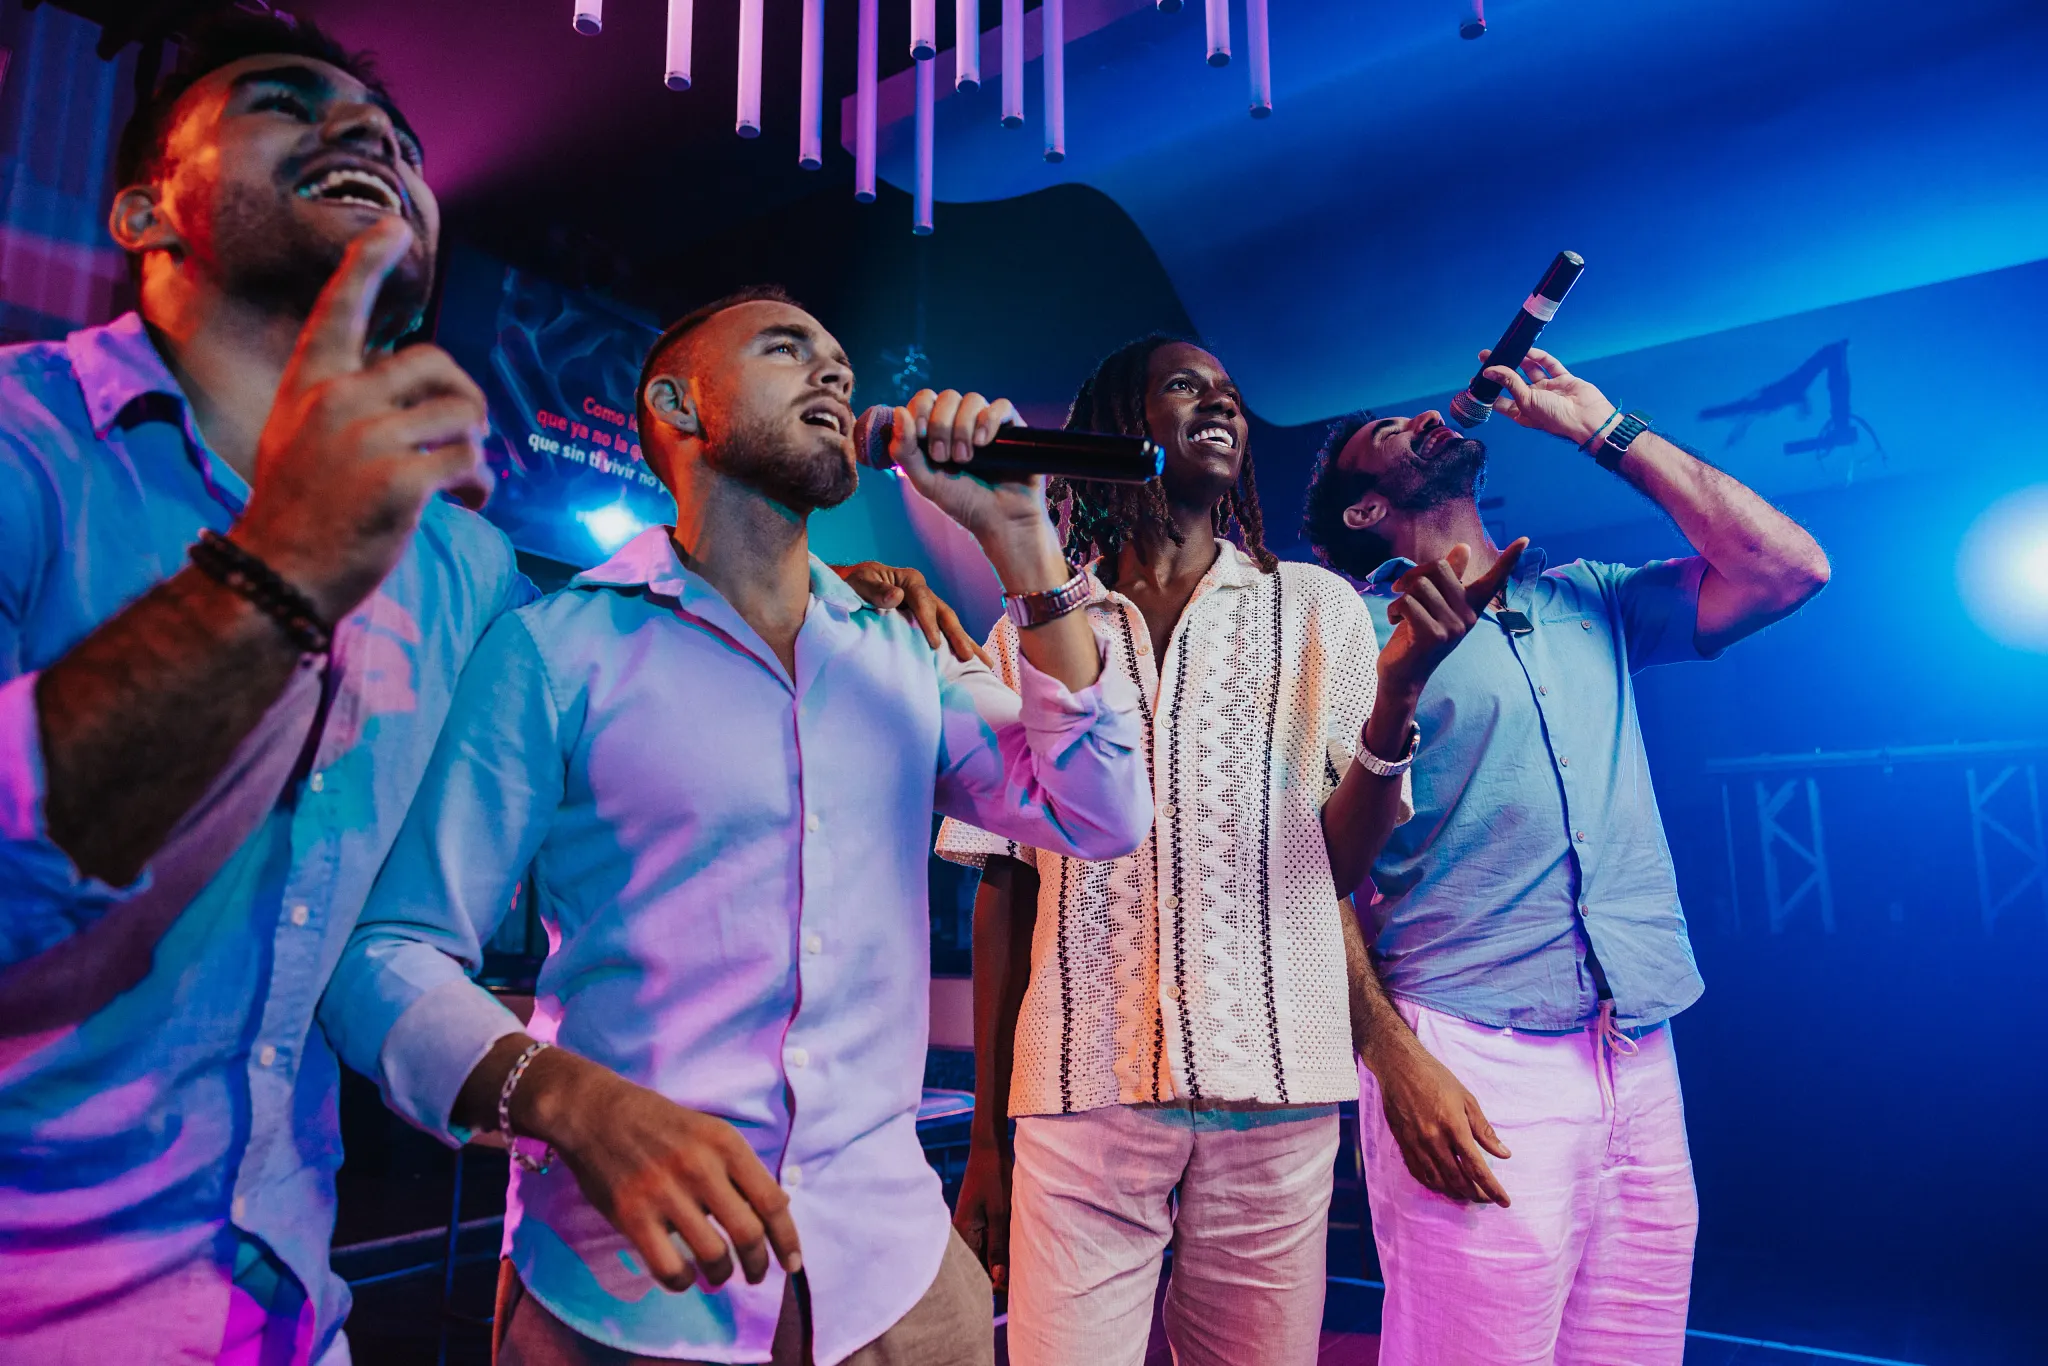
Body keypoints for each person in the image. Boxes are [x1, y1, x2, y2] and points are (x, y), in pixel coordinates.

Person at [0, 19, 978, 1365]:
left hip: (279, 1298)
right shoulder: (23, 451)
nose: (370, 136)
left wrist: (818, 593)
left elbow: (375, 933)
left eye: (396, 135)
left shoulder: (456, 564)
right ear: (140, 206)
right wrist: (278, 566)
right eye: (286, 104)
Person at [320, 287, 1155, 1366]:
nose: (834, 375)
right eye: (785, 349)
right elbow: (390, 953)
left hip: (901, 1282)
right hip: (627, 1293)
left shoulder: (901, 655)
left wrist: (1023, 545)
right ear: (676, 402)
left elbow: (1098, 810)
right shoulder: (554, 651)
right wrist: (564, 1098)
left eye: (841, 364)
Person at [937, 335, 1522, 1366]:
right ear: (1121, 428)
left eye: (1229, 395)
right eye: (1181, 385)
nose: (1218, 405)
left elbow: (1334, 870)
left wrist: (1394, 698)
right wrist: (986, 1139)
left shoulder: (1315, 609)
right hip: (1080, 1099)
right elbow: (1004, 889)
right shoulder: (1027, 632)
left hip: (1276, 1103)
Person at [1300, 345, 1831, 1365]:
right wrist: (1389, 1056)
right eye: (1385, 433)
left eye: (1420, 412)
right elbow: (1303, 869)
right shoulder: (1347, 635)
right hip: (1467, 1047)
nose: (1420, 419)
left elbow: (1788, 568)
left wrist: (1602, 428)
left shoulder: (1589, 596)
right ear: (1363, 511)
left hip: (1634, 1045)